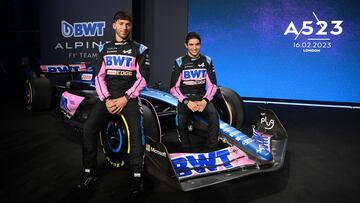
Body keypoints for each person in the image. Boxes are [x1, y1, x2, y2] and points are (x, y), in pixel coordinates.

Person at [78, 11, 150, 196]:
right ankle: (89, 172)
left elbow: (143, 79)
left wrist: (125, 98)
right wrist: (107, 99)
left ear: (130, 26)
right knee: (88, 128)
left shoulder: (140, 49)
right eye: (121, 23)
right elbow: (99, 77)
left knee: (136, 132)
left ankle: (136, 177)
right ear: (114, 25)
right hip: (108, 98)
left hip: (129, 98)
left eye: (127, 24)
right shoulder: (104, 48)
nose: (124, 27)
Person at [170, 32, 219, 152]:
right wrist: (187, 102)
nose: (194, 47)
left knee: (214, 116)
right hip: (185, 98)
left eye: (197, 44)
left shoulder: (207, 60)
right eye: (191, 44)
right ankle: (186, 149)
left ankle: (212, 149)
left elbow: (213, 85)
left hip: (202, 97)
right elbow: (173, 88)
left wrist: (205, 101)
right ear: (186, 45)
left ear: (200, 45)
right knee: (181, 120)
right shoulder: (179, 62)